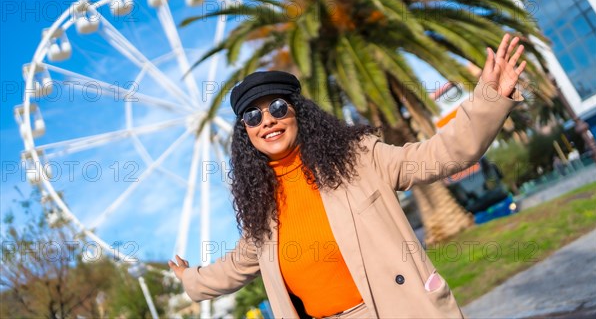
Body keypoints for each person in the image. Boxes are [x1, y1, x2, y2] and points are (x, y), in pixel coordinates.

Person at [169, 34, 527, 318]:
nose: (268, 121)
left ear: (299, 113)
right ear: (245, 133)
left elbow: (438, 155)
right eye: (253, 117)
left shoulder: (357, 158)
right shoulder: (262, 208)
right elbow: (234, 266)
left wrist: (490, 98)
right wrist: (191, 279)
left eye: (278, 107)